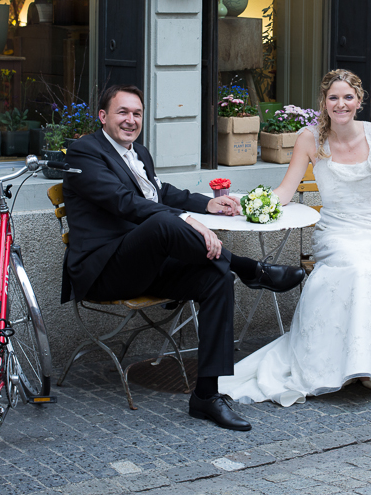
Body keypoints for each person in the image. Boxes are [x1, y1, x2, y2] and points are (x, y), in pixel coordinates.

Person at [61, 85, 306, 430]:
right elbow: (123, 202)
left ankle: (206, 396)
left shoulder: (139, 153)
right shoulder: (84, 152)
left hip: (146, 265)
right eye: (122, 112)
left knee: (216, 277)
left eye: (137, 114)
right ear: (103, 116)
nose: (131, 120)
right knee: (164, 221)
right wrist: (185, 220)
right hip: (105, 271)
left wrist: (205, 204)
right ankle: (252, 269)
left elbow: (161, 192)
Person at [219, 69, 371, 407]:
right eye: (334, 97)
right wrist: (249, 203)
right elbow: (286, 191)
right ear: (324, 101)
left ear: (359, 101)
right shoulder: (309, 138)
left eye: (348, 97)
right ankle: (366, 370)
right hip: (337, 232)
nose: (341, 104)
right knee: (360, 270)